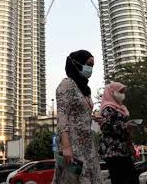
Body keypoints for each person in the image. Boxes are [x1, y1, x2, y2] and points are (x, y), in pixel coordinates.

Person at [53, 50, 102, 184]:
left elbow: (79, 114)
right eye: (88, 64)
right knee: (77, 179)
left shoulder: (85, 89)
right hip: (73, 144)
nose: (90, 68)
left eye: (92, 66)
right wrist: (66, 147)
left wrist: (94, 118)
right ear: (77, 63)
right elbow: (62, 116)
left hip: (88, 144)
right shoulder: (67, 84)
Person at [99, 82, 138, 184]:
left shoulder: (121, 108)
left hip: (124, 150)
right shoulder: (108, 108)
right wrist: (125, 126)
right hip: (114, 151)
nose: (122, 95)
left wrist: (129, 128)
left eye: (123, 92)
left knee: (131, 178)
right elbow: (105, 127)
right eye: (120, 92)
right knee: (121, 179)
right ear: (111, 92)